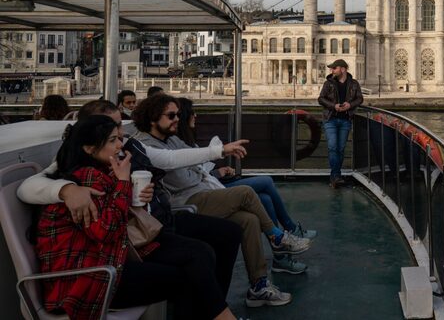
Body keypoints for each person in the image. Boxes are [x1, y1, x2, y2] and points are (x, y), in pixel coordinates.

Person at [18, 100, 244, 305]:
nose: (121, 134)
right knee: (198, 258)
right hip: (134, 236)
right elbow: (27, 187)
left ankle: (215, 310)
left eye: (119, 128)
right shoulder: (79, 166)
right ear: (89, 131)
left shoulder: (127, 146)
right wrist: (66, 190)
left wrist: (219, 150)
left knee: (227, 235)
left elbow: (170, 159)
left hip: (150, 221)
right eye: (113, 130)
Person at [132, 93, 310, 307]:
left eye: (178, 114)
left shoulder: (172, 139)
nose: (177, 119)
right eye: (171, 115)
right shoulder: (146, 146)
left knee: (249, 220)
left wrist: (196, 169)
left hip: (200, 192)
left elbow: (191, 166)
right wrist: (207, 161)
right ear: (153, 118)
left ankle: (259, 285)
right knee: (245, 192)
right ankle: (277, 237)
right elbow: (181, 178)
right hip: (187, 202)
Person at [176, 97, 316, 274]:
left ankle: (280, 250)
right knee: (262, 184)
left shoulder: (184, 141)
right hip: (207, 191)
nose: (195, 115)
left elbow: (195, 172)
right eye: (192, 112)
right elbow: (188, 178)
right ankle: (285, 235)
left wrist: (216, 170)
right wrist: (216, 169)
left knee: (264, 197)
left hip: (211, 186)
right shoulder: (173, 146)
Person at [318, 59, 363, 188]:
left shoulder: (354, 84)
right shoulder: (328, 83)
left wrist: (350, 105)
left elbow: (360, 98)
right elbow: (320, 99)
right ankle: (336, 175)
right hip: (330, 119)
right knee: (333, 147)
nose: (332, 70)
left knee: (341, 149)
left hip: (345, 120)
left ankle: (335, 177)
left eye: (334, 68)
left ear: (343, 69)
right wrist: (334, 106)